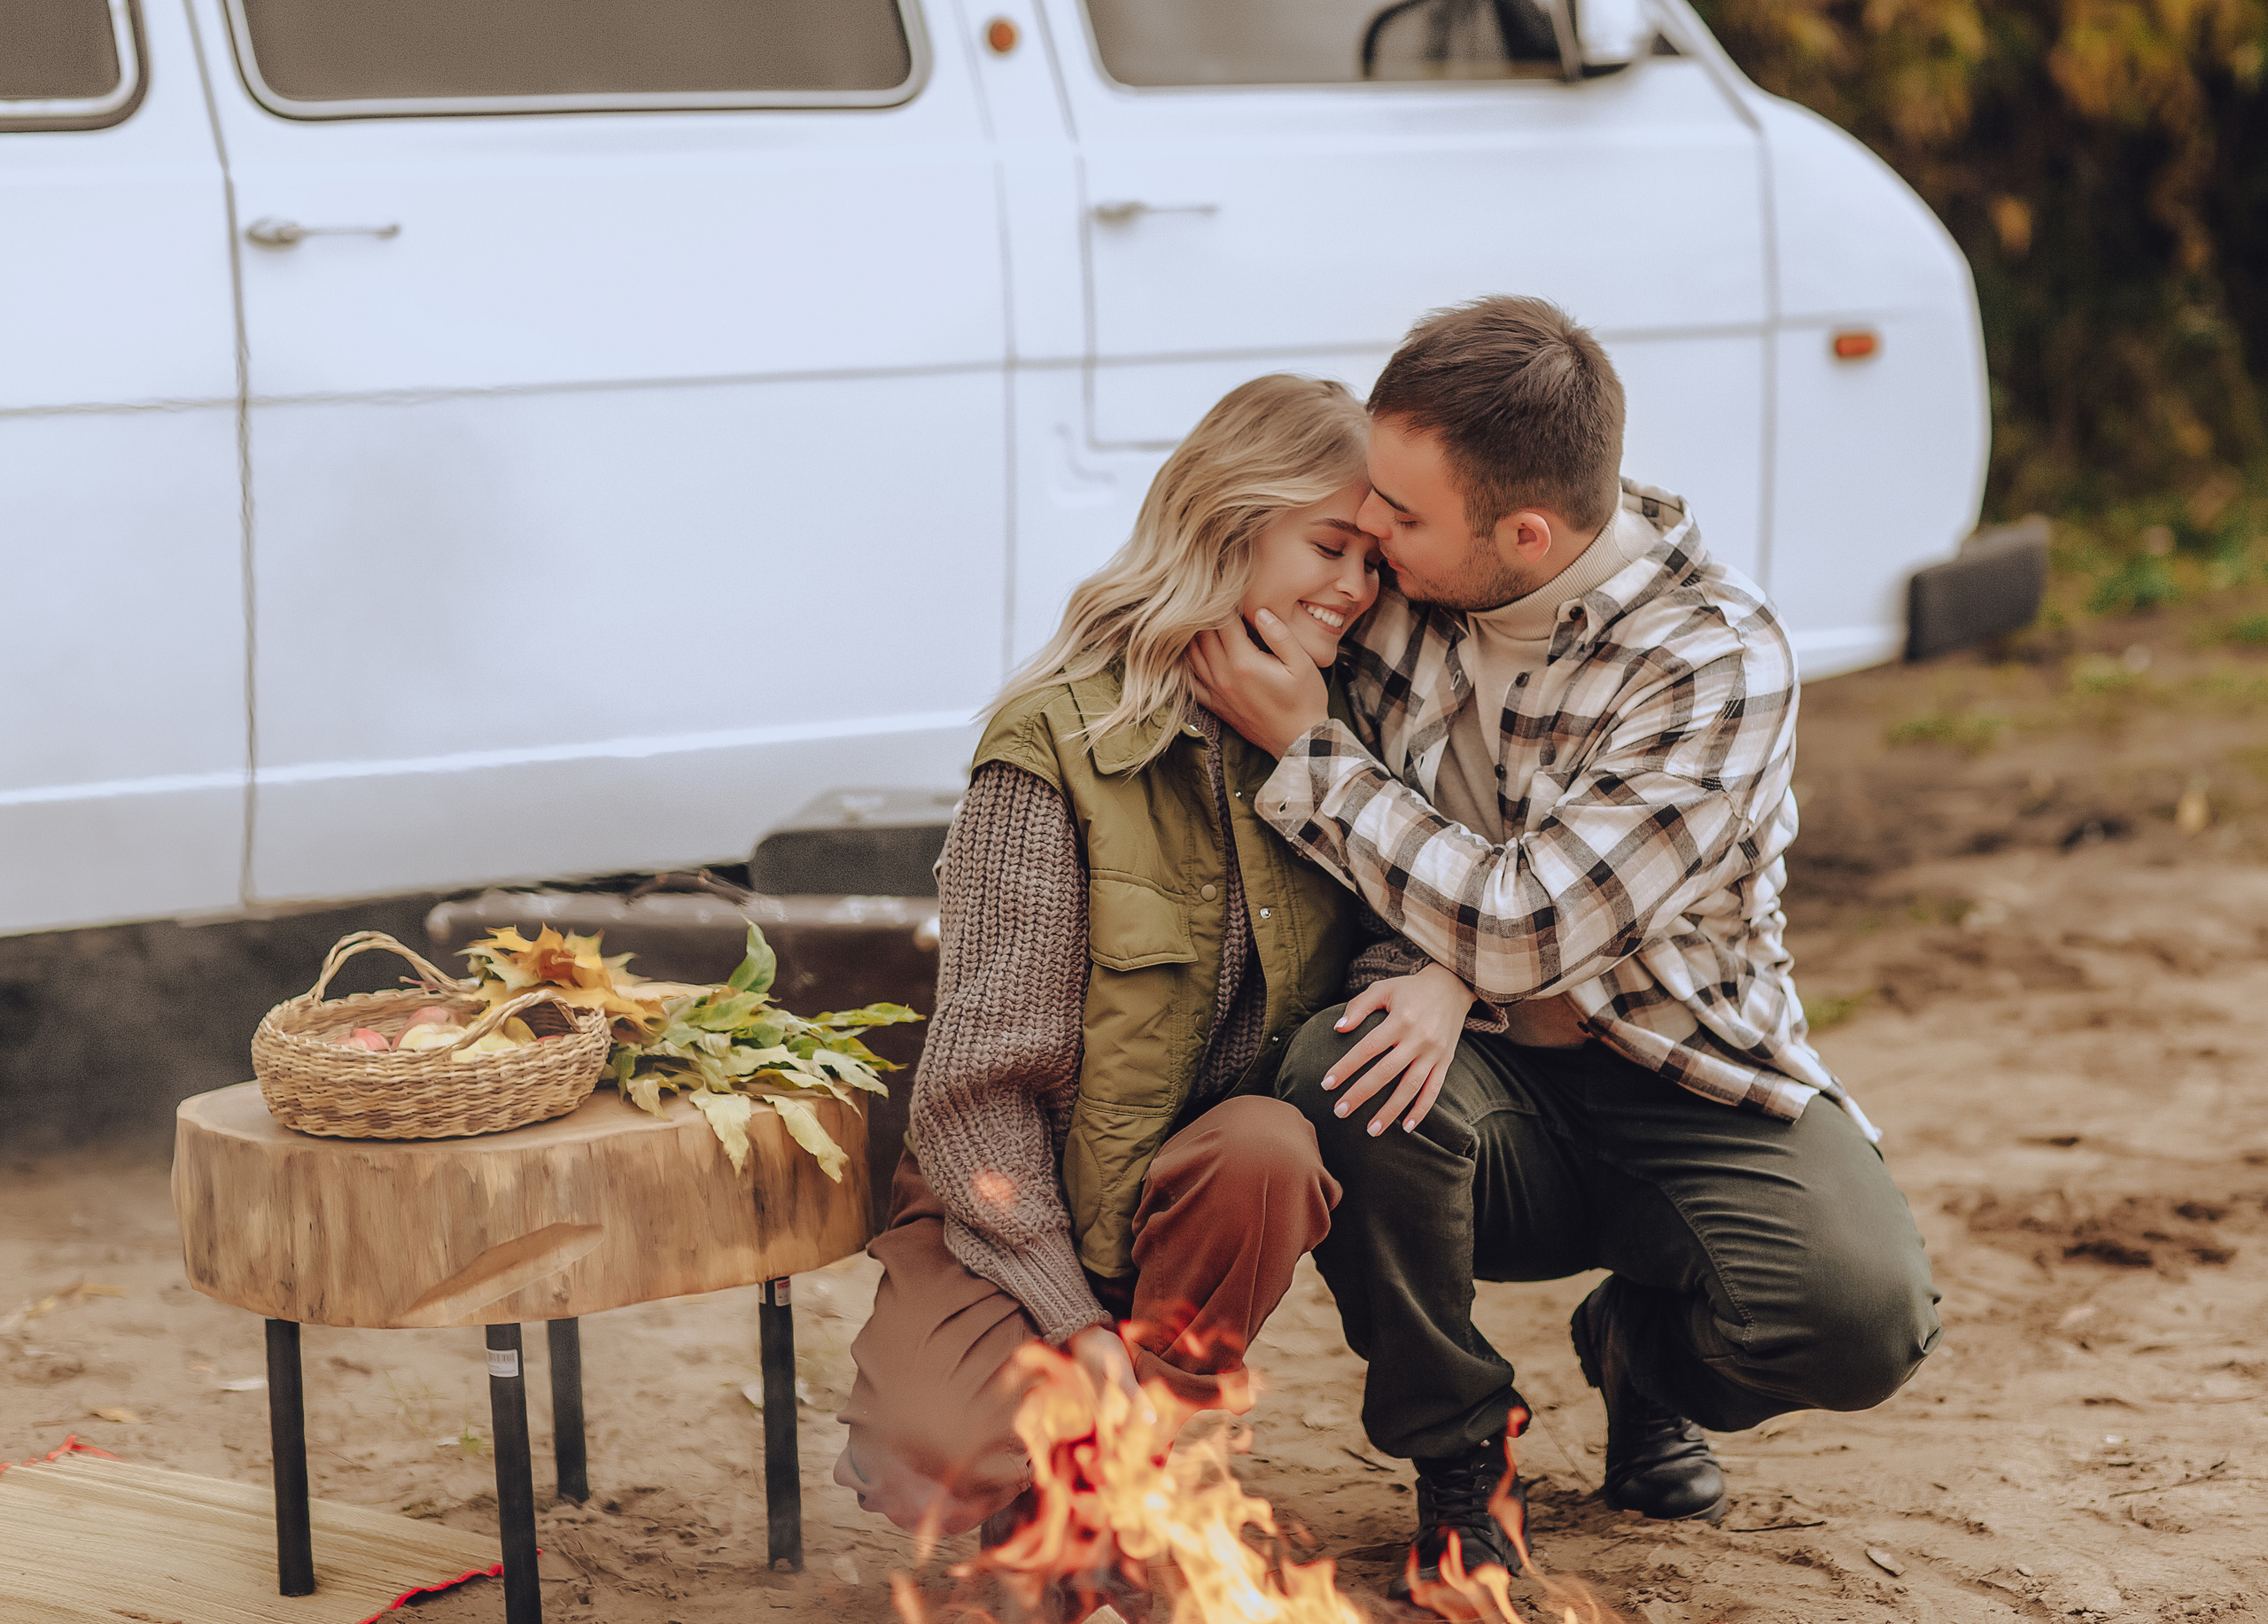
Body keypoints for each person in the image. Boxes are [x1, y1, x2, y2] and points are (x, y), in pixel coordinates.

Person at [1189, 298, 1941, 1584]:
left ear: (1525, 534)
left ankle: (1638, 1352)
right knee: (1343, 1071)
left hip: (1683, 1066)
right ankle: (1462, 1459)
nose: (1369, 537)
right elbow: (1463, 891)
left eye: (1402, 518)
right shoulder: (1402, 586)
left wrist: (1316, 763)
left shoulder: (1716, 656)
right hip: (1484, 1081)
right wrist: (1426, 971)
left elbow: (1531, 918)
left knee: (1861, 1319)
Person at [832, 374, 1481, 1540]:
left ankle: (1142, 1457)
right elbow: (977, 1095)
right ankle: (1076, 1443)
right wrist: (1073, 1326)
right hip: (1015, 1203)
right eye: (1331, 547)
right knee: (937, 1452)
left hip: (1189, 1200)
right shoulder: (1054, 744)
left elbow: (1414, 915)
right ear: (1229, 521)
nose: (1354, 587)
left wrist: (1437, 972)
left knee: (1267, 1148)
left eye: (1374, 563)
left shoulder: (1339, 744)